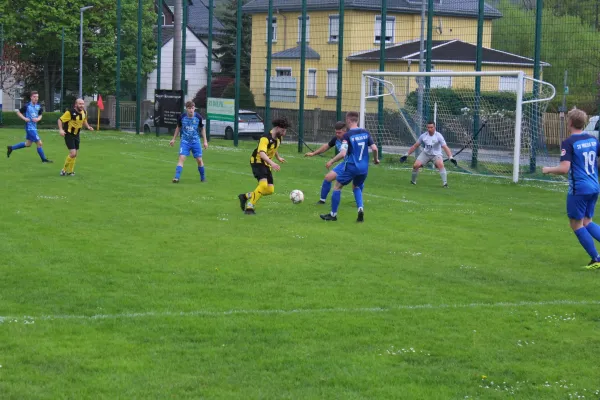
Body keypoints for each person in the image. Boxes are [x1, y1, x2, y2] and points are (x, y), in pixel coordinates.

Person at [543, 108, 600, 270]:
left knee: (576, 224)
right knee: (587, 221)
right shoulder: (593, 140)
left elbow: (564, 168)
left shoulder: (569, 143)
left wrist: (548, 169)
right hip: (594, 186)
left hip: (580, 189)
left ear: (570, 123)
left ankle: (596, 259)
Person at [320, 111, 379, 222]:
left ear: (348, 120)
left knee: (337, 187)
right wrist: (376, 159)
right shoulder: (365, 132)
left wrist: (332, 161)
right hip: (364, 168)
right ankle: (360, 209)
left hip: (352, 166)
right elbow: (375, 148)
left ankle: (333, 215)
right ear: (357, 120)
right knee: (356, 187)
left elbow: (343, 153)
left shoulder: (347, 135)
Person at [238, 117, 290, 215]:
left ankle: (245, 196)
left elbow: (274, 148)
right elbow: (262, 153)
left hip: (266, 163)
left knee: (270, 190)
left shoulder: (279, 137)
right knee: (263, 185)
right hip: (257, 162)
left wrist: (278, 158)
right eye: (283, 130)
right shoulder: (265, 138)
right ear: (278, 128)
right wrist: (273, 163)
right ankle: (250, 207)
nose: (284, 133)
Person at [305, 121, 360, 204]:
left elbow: (342, 154)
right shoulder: (336, 139)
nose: (337, 134)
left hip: (355, 164)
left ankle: (359, 204)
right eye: (336, 132)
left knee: (356, 184)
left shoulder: (350, 139)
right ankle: (322, 201)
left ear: (345, 131)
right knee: (328, 178)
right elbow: (326, 146)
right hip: (345, 163)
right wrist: (313, 153)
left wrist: (332, 161)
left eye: (339, 132)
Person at [400, 121, 455, 188]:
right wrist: (406, 154)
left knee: (440, 164)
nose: (429, 129)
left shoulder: (439, 136)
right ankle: (413, 182)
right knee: (416, 165)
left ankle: (445, 184)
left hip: (436, 154)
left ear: (434, 127)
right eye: (428, 127)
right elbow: (415, 146)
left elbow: (445, 147)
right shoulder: (423, 136)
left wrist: (450, 157)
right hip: (426, 153)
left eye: (431, 127)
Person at [7, 91, 52, 163]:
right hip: (29, 128)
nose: (36, 98)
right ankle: (44, 159)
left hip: (34, 127)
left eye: (37, 97)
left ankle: (11, 148)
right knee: (39, 143)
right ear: (31, 97)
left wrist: (38, 119)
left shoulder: (39, 106)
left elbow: (40, 115)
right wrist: (24, 118)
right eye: (34, 97)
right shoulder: (27, 106)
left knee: (28, 144)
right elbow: (18, 112)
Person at [169, 101, 208, 183]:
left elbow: (202, 128)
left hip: (195, 141)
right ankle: (176, 177)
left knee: (199, 160)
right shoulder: (182, 117)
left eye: (192, 108)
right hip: (185, 141)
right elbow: (178, 127)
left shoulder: (198, 117)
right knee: (181, 158)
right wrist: (173, 139)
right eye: (189, 108)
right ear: (186, 109)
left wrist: (205, 141)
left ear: (194, 108)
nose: (191, 110)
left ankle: (203, 178)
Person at [58, 98, 94, 176]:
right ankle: (63, 170)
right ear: (76, 104)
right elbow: (60, 120)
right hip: (69, 134)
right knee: (73, 153)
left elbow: (84, 120)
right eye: (80, 104)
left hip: (77, 134)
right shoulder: (70, 112)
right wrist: (61, 130)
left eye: (83, 104)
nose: (82, 105)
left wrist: (88, 127)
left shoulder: (84, 112)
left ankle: (70, 171)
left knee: (75, 154)